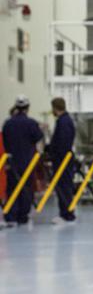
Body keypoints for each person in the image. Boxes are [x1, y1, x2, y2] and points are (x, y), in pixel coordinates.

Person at [2, 96, 43, 227]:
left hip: (12, 161)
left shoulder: (8, 123)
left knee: (12, 188)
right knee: (26, 188)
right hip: (27, 161)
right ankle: (23, 216)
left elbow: (5, 141)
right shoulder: (31, 123)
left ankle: (11, 215)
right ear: (27, 108)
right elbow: (38, 139)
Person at [46, 97, 77, 225]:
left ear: (55, 108)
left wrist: (51, 152)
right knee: (65, 187)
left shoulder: (63, 122)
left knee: (63, 187)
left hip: (62, 160)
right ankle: (66, 213)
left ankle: (66, 214)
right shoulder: (66, 120)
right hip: (64, 159)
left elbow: (62, 143)